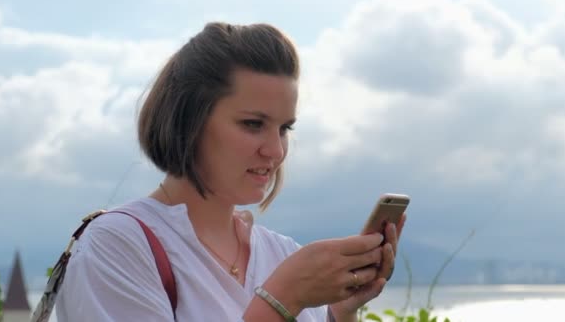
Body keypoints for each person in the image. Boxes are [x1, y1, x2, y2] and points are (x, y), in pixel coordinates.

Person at [55, 22, 405, 322]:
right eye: (253, 124)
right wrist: (281, 300)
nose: (276, 150)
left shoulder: (282, 254)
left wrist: (339, 314)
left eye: (284, 128)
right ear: (188, 119)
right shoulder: (118, 245)